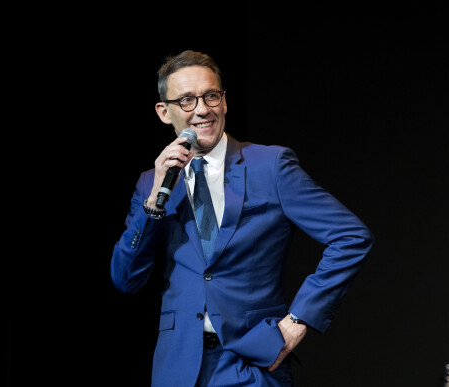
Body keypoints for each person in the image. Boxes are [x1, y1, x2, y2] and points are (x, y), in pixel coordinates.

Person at [111, 49, 374, 387]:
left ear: (224, 101)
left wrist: (299, 318)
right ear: (165, 112)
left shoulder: (270, 165)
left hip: (252, 364)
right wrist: (153, 204)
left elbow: (351, 236)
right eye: (187, 100)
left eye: (211, 96)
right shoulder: (152, 181)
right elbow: (126, 278)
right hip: (177, 367)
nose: (202, 109)